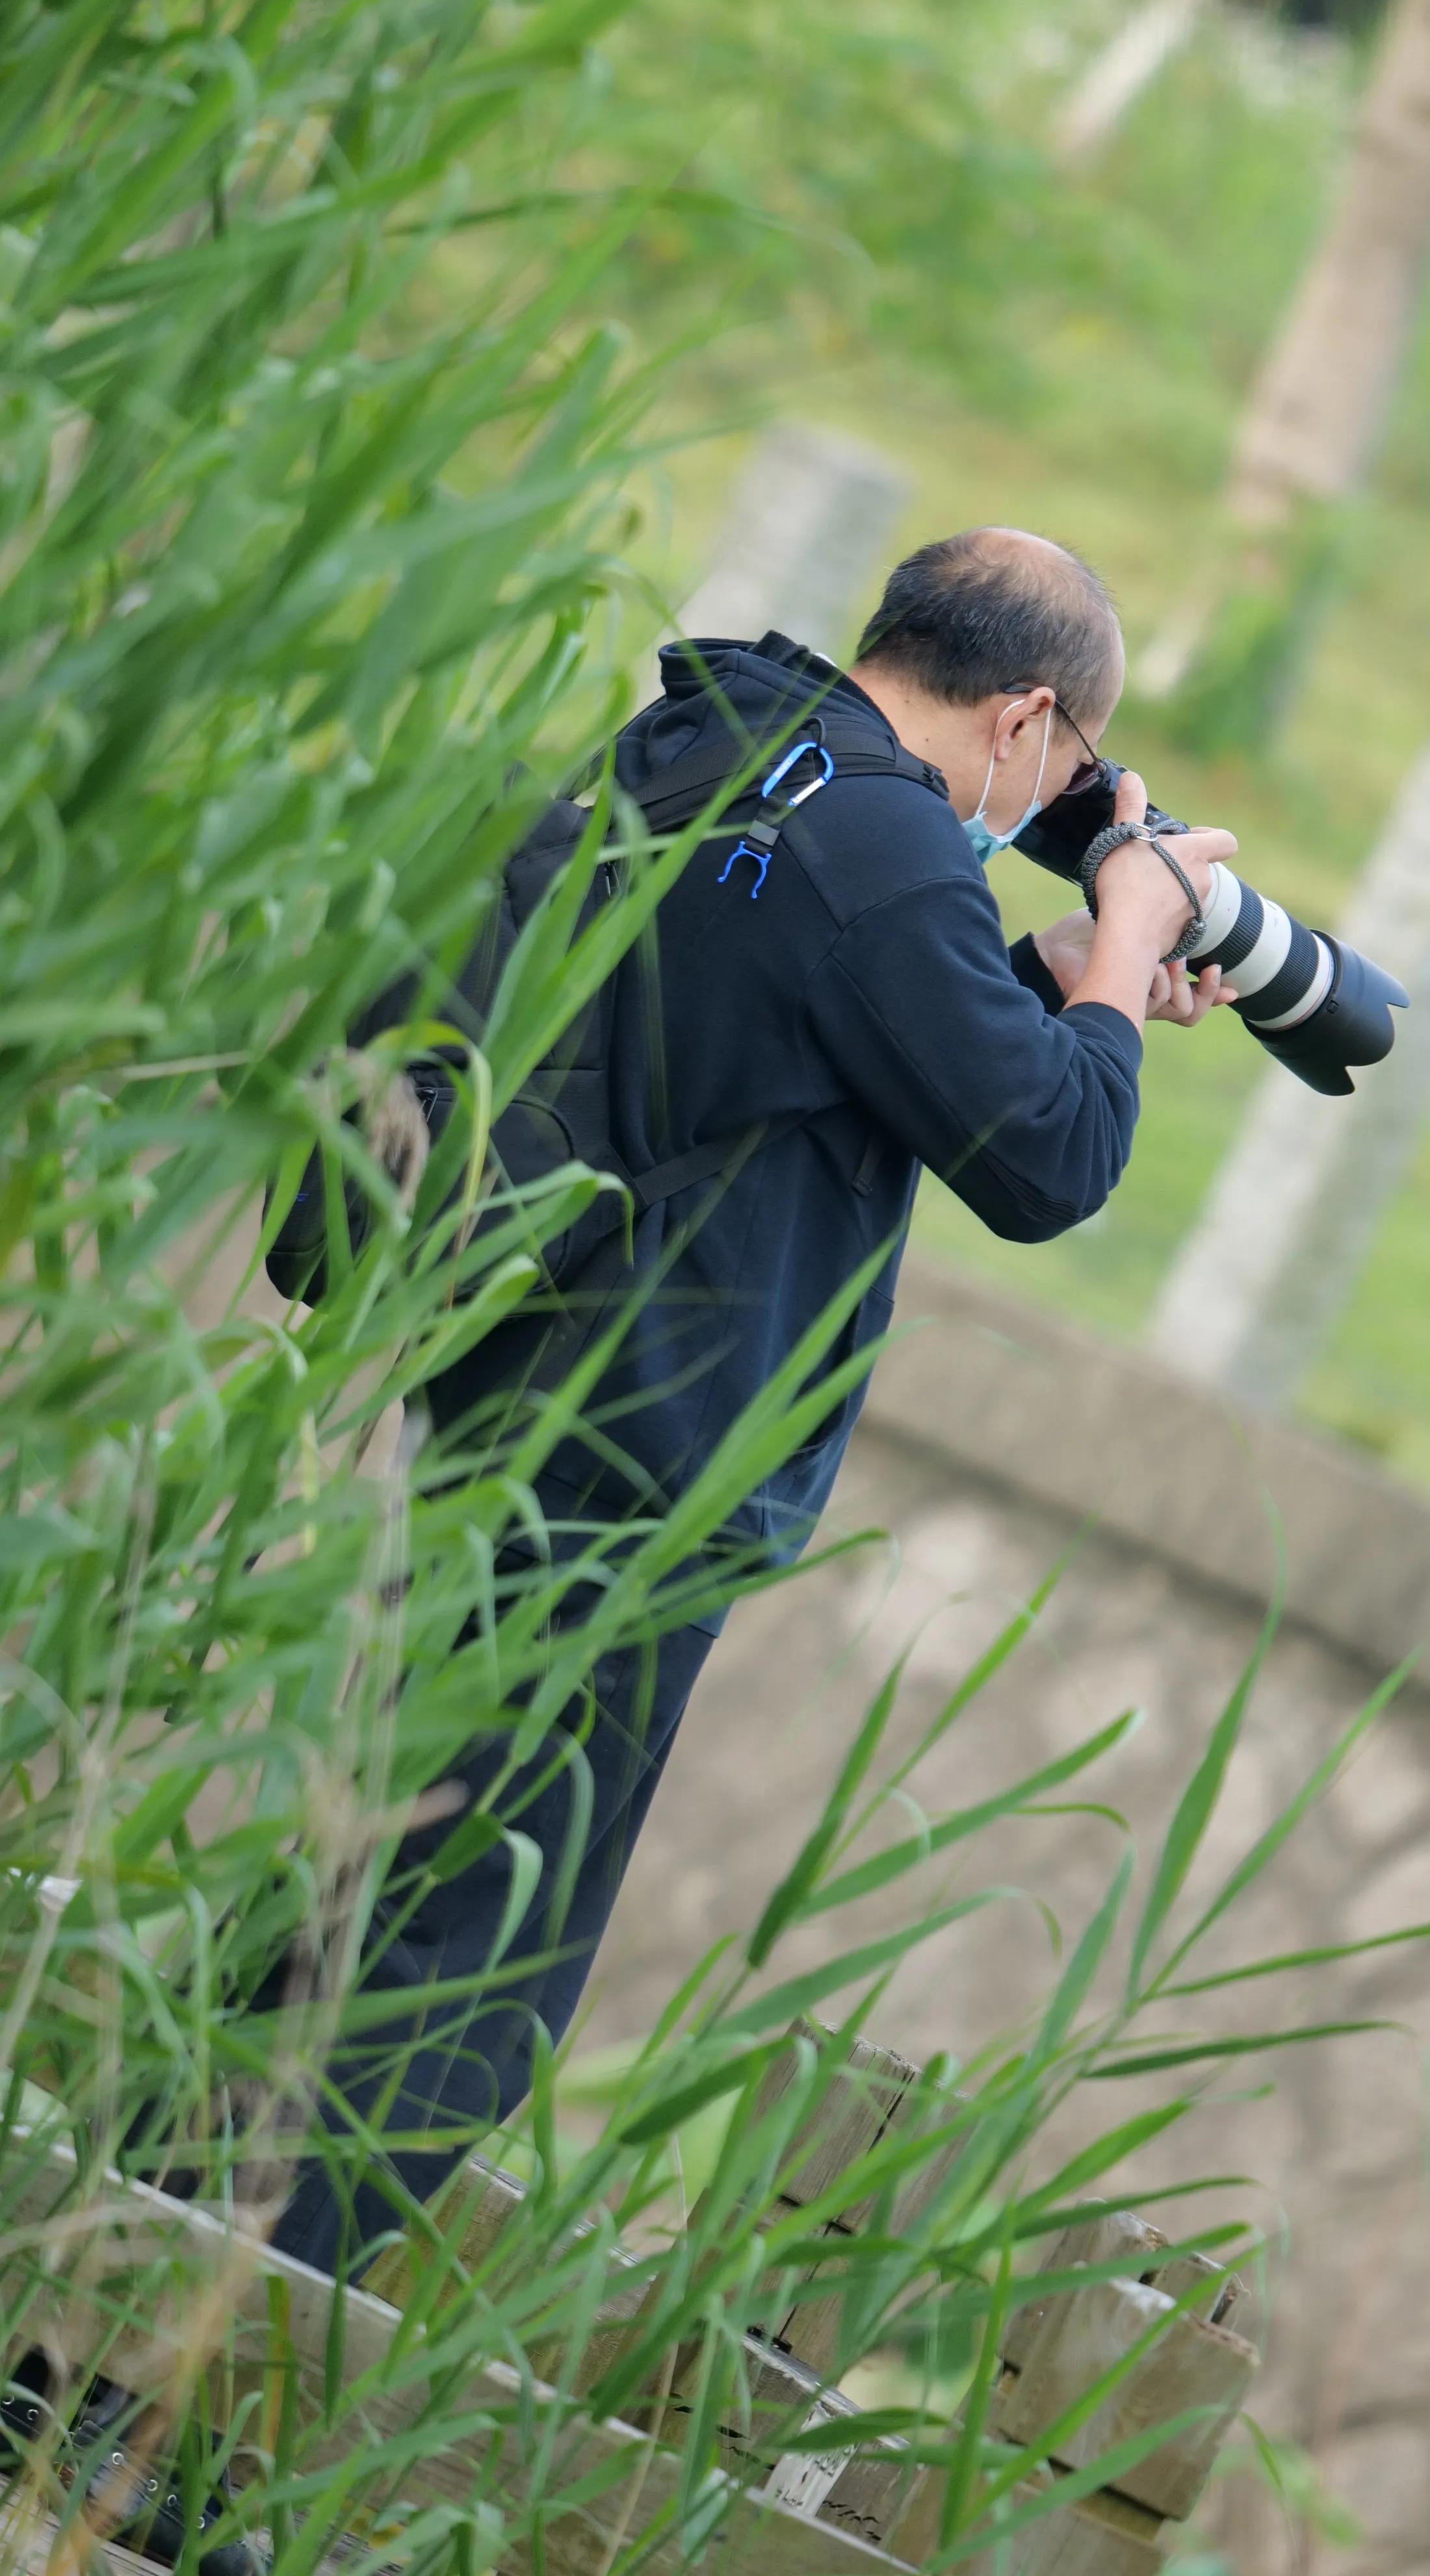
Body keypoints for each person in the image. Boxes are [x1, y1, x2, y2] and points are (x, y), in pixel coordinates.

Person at [258, 525, 1240, 2278]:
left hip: (506, 1413)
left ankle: (95, 2361)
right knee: (456, 1984)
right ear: (1026, 721)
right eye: (1075, 771)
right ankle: (153, 2410)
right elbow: (1051, 1155)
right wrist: (1122, 955)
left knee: (360, 1916)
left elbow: (784, 1038)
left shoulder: (724, 746)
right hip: (634, 1477)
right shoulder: (885, 845)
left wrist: (1063, 990)